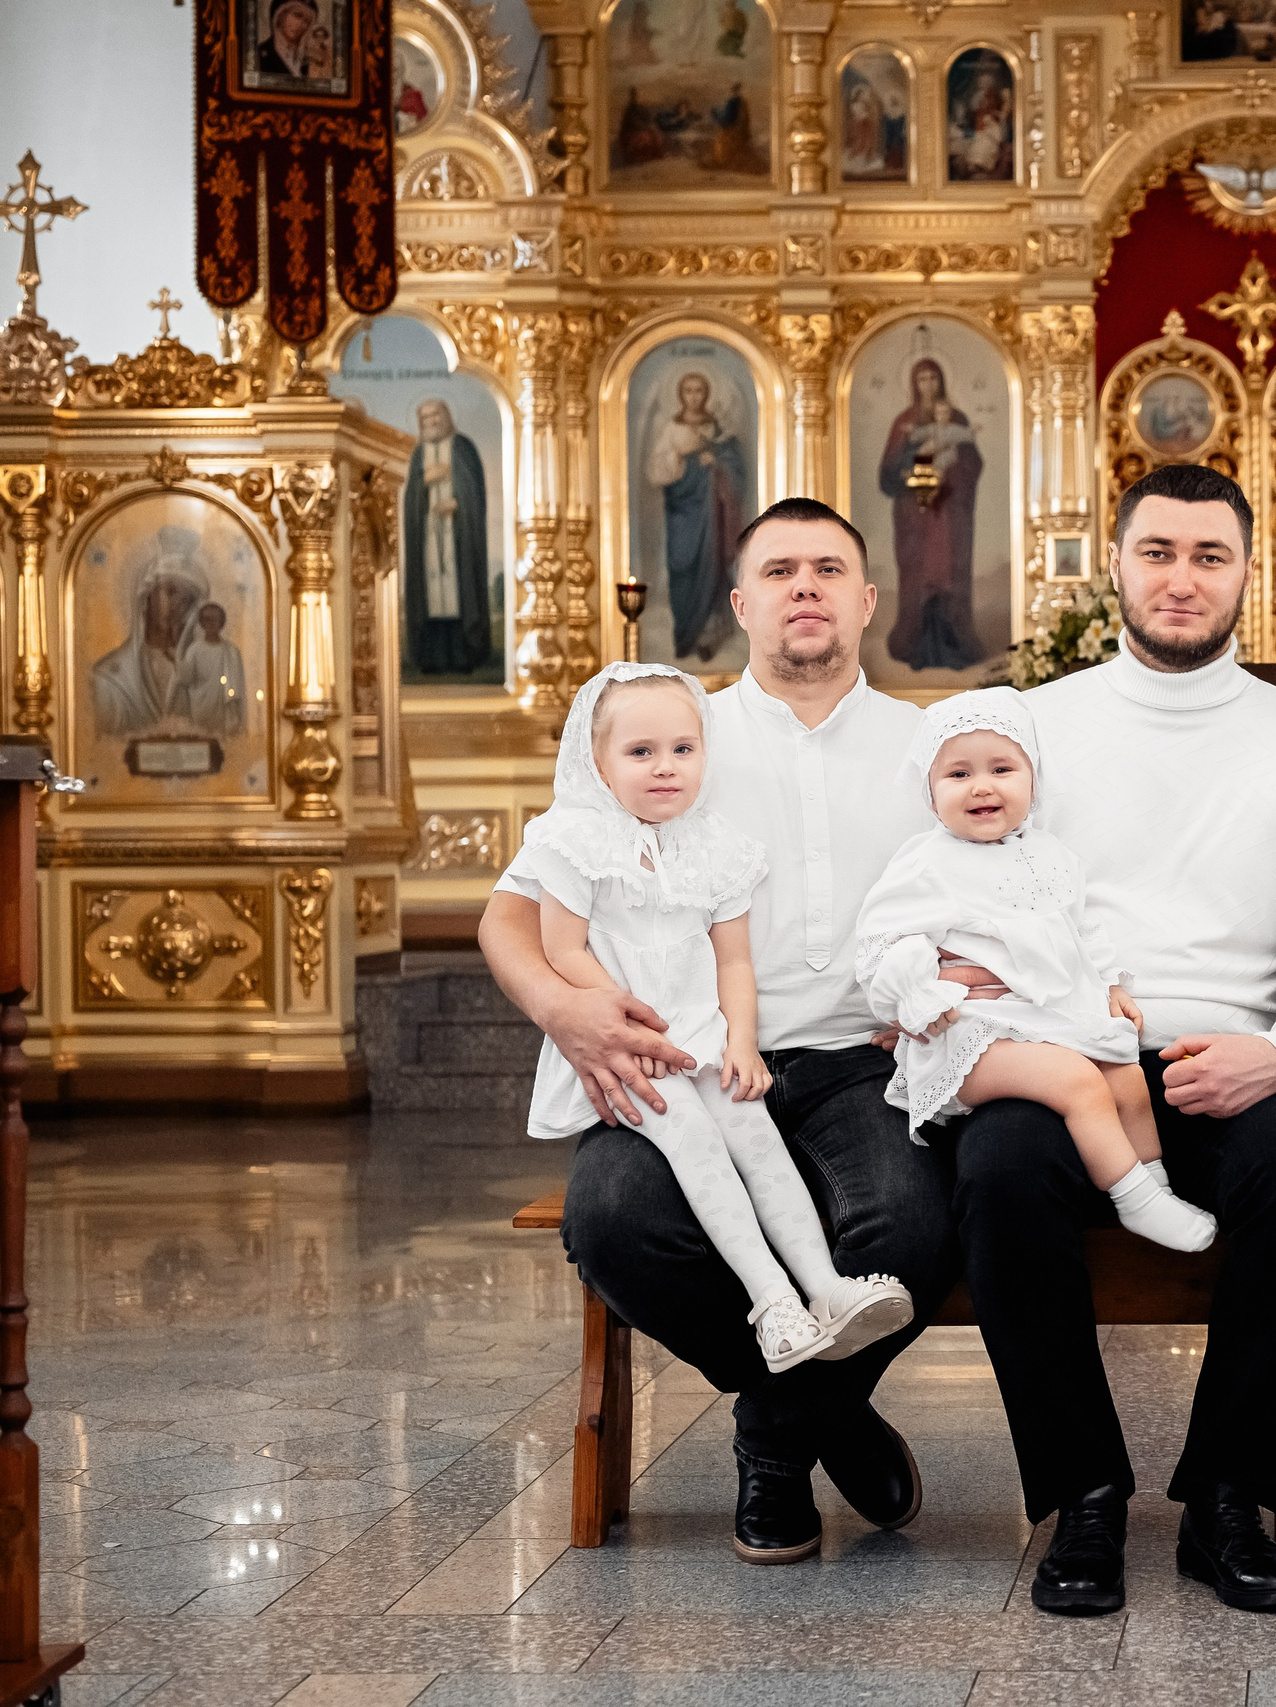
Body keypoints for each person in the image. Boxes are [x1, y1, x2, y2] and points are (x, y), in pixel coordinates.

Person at [480, 498, 951, 1568]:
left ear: (866, 599)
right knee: (614, 1221)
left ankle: (777, 1440)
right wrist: (565, 1007)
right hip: (678, 1056)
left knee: (910, 1228)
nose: (805, 587)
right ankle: (829, 1416)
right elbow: (510, 916)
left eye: (828, 568)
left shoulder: (930, 743)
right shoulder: (667, 730)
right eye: (779, 569)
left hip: (858, 1064)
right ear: (740, 602)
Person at [962, 463, 1276, 1618]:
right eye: (1158, 553)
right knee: (995, 1174)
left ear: (1249, 573)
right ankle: (1081, 1496)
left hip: (1230, 1058)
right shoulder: (1035, 729)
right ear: (1116, 563)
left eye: (1208, 556)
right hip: (1065, 1055)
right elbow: (968, 901)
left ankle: (1228, 1502)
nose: (1181, 579)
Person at [521, 663, 916, 1373]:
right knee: (697, 1148)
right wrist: (620, 1018)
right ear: (599, 762)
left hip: (704, 1036)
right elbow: (560, 946)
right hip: (633, 1046)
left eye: (682, 749)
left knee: (754, 1140)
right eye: (640, 753)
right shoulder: (575, 838)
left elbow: (733, 961)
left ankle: (825, 1290)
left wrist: (741, 1042)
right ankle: (773, 1305)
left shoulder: (714, 846)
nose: (665, 767)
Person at [856, 688, 1217, 1253]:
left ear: (1033, 780)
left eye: (1002, 768)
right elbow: (884, 940)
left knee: (1124, 1071)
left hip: (1044, 1018)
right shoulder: (926, 862)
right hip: (966, 1035)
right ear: (930, 796)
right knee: (1077, 1081)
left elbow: (1081, 931)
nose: (981, 785)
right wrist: (916, 995)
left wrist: (1109, 985)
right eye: (957, 774)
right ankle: (1134, 1201)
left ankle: (1155, 1185)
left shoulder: (1050, 854)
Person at [876, 358, 987, 671]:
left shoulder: (957, 418)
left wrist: (951, 471)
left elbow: (972, 462)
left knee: (949, 575)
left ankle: (956, 645)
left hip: (950, 515)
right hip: (916, 517)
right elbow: (887, 475)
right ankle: (916, 645)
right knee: (919, 577)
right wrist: (915, 470)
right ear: (914, 383)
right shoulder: (903, 423)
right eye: (922, 379)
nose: (928, 385)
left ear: (942, 382)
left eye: (933, 378)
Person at [646, 371, 753, 662]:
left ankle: (708, 635)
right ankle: (685, 634)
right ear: (681, 395)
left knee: (713, 568)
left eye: (699, 391)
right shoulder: (672, 428)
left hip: (712, 517)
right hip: (683, 514)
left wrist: (716, 462)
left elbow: (735, 468)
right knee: (683, 568)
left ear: (705, 395)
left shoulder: (716, 428)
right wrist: (687, 459)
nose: (694, 396)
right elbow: (657, 472)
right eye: (688, 391)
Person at [405, 398, 495, 678]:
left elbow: (474, 491)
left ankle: (465, 654)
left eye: (436, 416)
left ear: (445, 417)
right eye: (426, 419)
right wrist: (424, 484)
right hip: (429, 537)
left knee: (459, 592)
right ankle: (430, 657)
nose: (431, 423)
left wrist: (457, 503)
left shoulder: (463, 447)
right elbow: (411, 498)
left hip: (458, 538)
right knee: (431, 596)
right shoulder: (419, 454)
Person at [93, 529, 211, 738]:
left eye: (187, 601)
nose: (176, 606)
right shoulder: (109, 677)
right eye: (170, 592)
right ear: (146, 597)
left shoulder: (201, 673)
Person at [175, 603, 248, 735]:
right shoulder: (195, 650)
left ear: (221, 622)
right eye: (207, 619)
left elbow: (239, 685)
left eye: (215, 619)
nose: (211, 624)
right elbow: (187, 678)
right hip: (201, 706)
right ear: (202, 623)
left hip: (224, 708)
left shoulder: (231, 651)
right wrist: (177, 663)